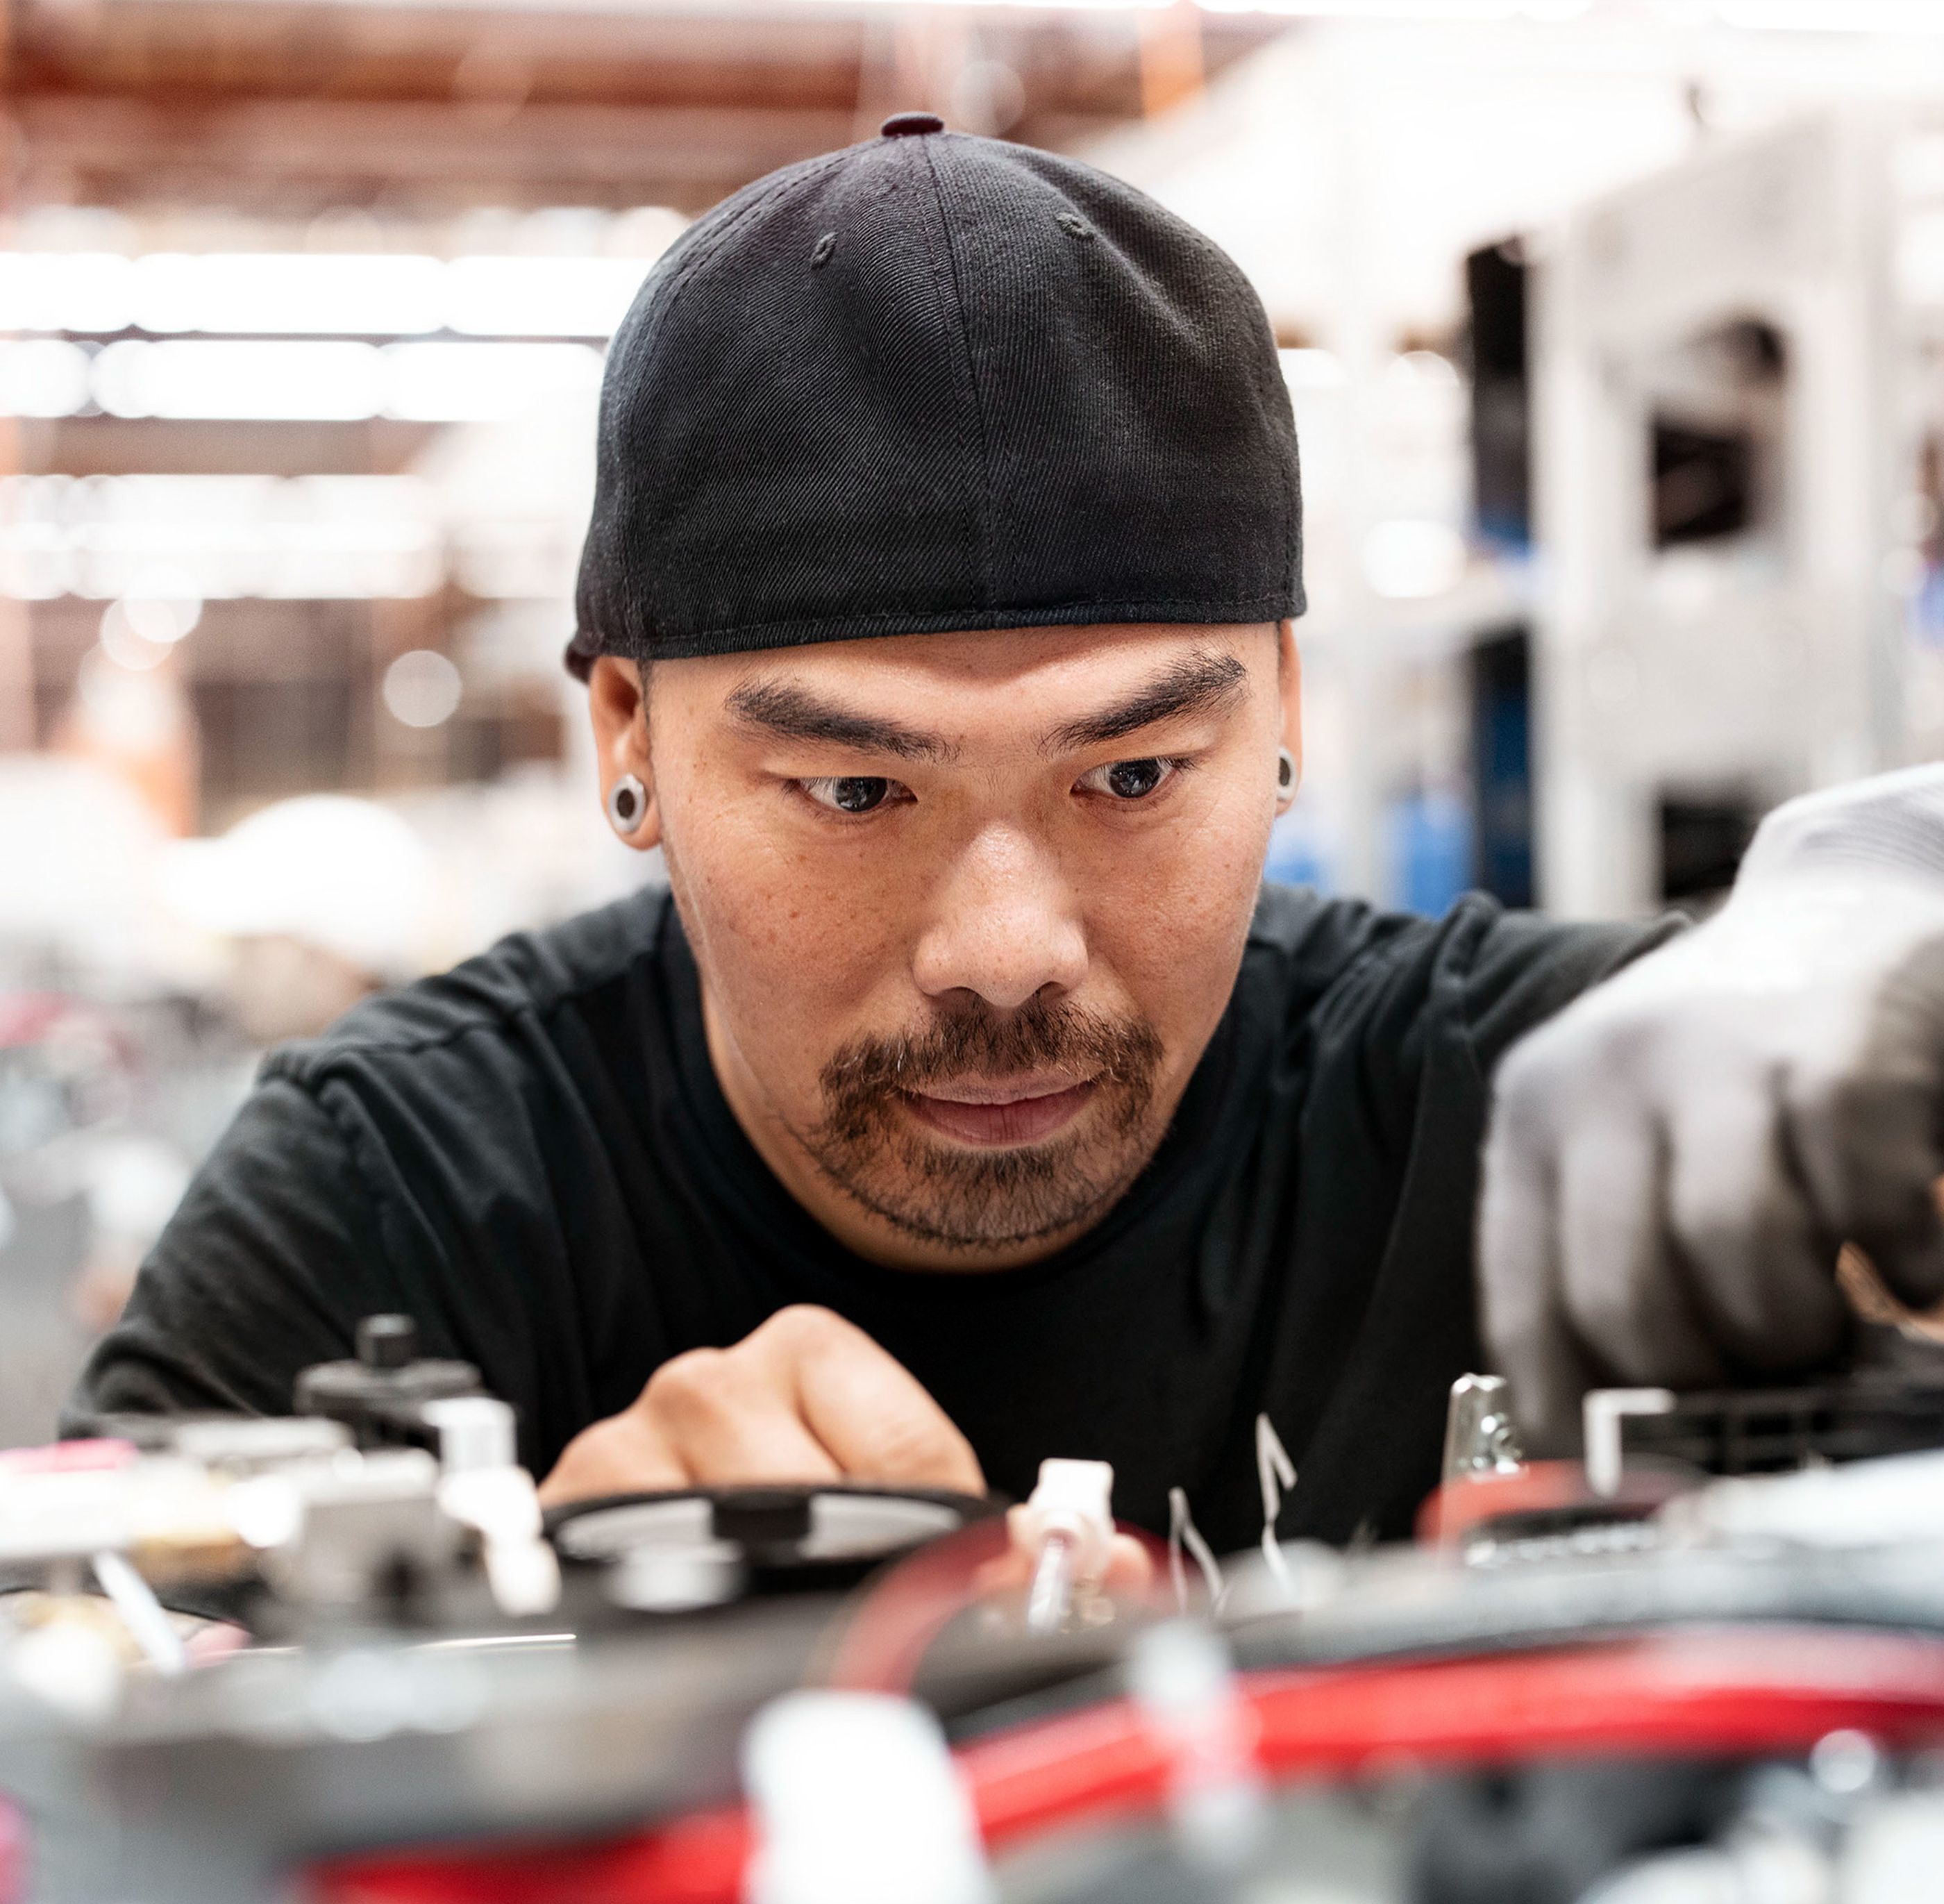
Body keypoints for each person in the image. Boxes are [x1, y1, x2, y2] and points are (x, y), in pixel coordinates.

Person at [67, 119, 1944, 1553]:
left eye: (1130, 778)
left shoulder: (1522, 1101)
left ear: (1284, 705)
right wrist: (522, 1655)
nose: (1007, 951)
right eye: (860, 792)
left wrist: (1896, 939)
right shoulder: (397, 1206)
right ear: (625, 736)